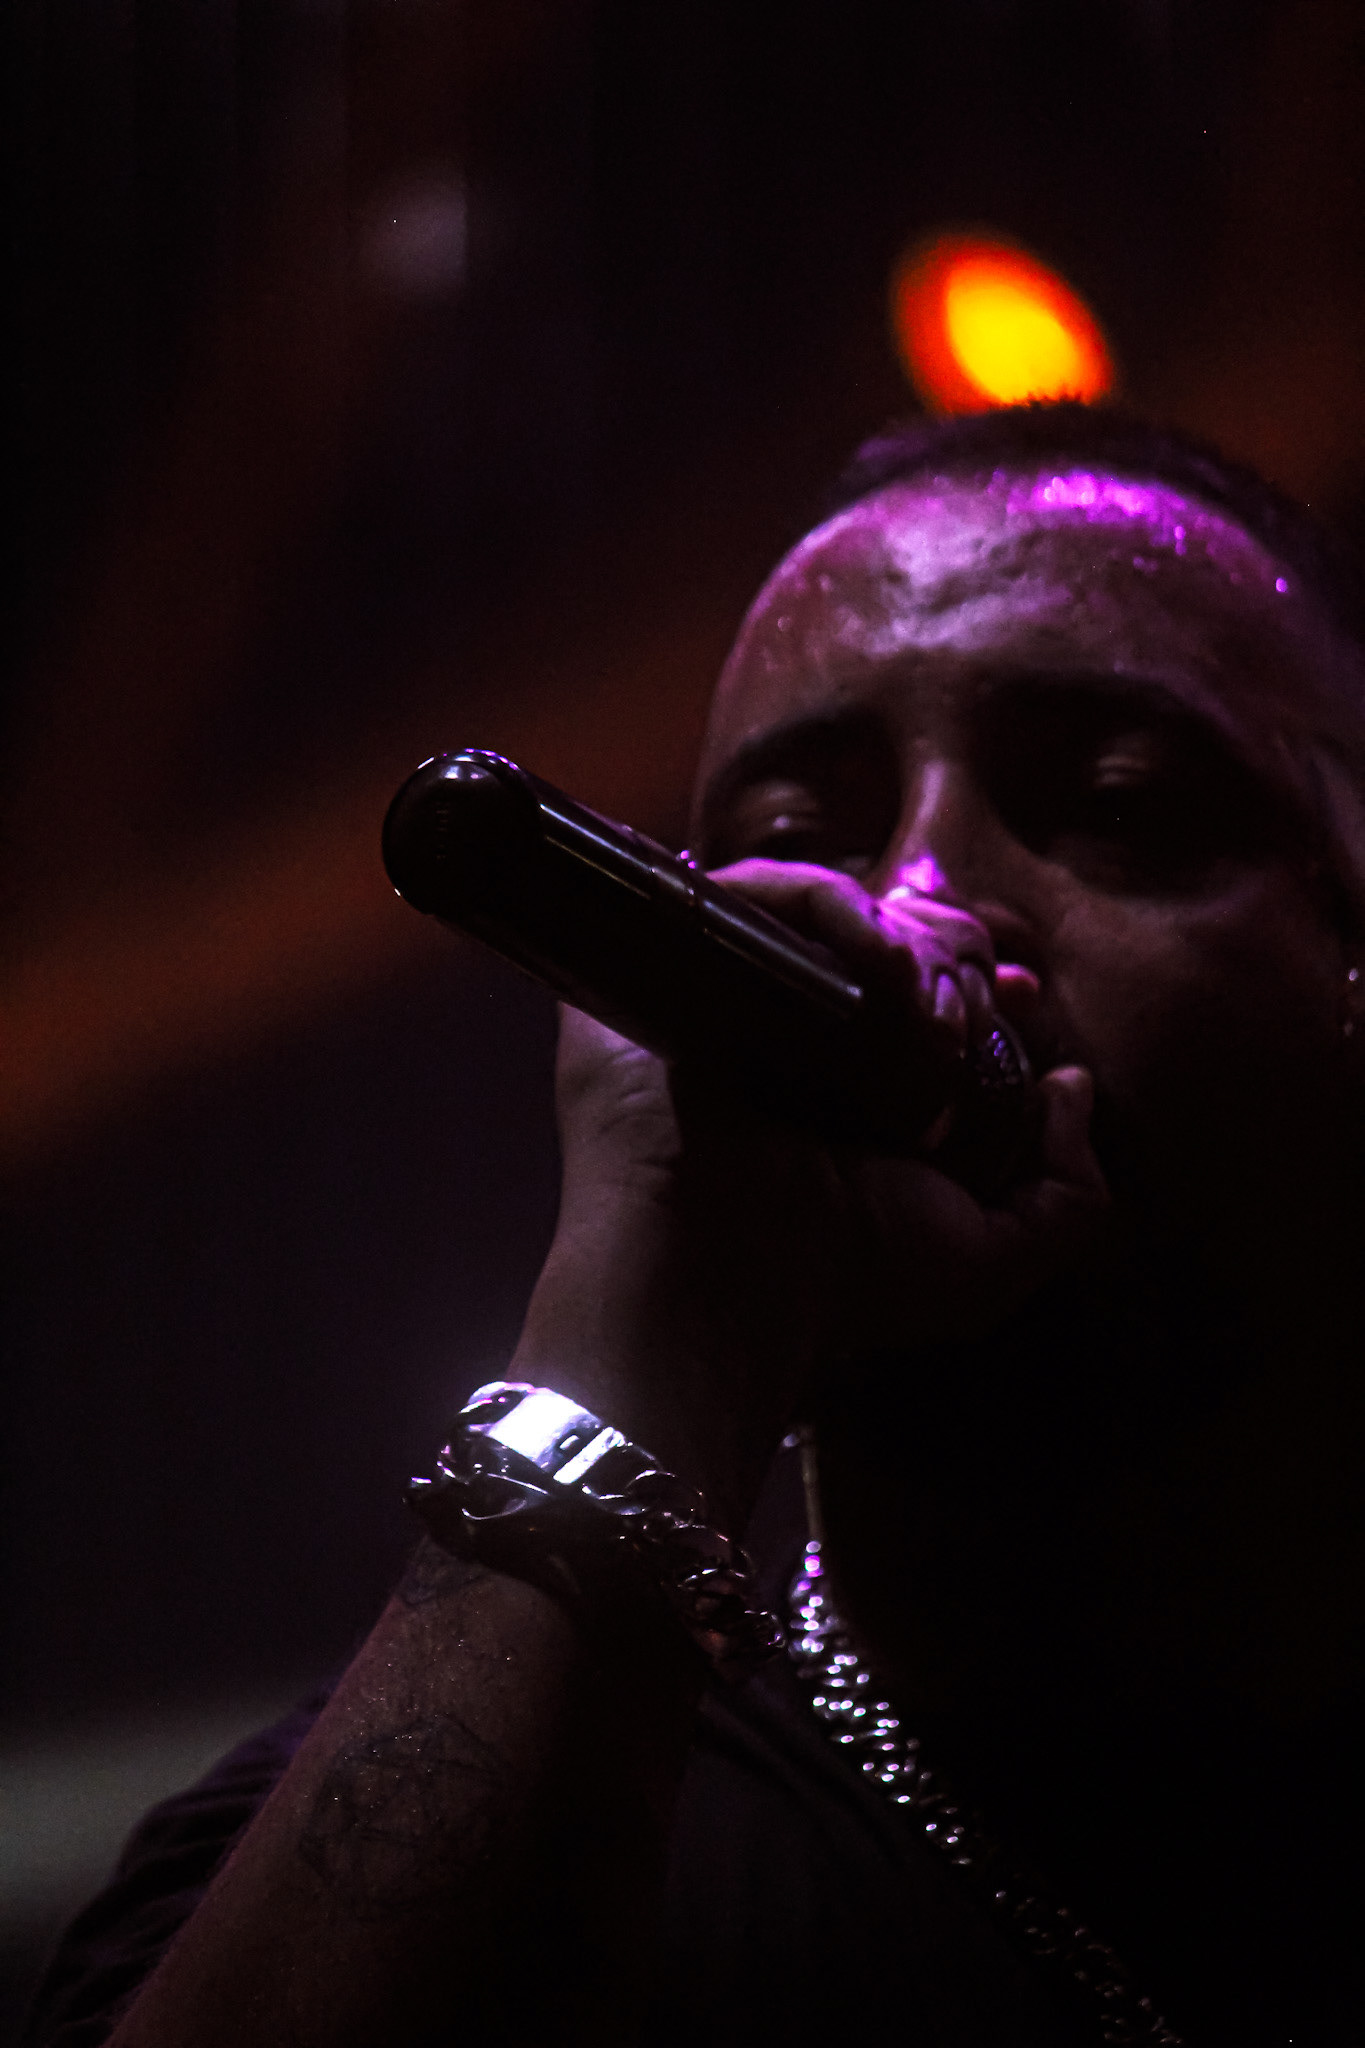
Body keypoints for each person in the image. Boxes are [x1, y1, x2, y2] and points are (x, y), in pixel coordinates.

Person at [23, 403, 1365, 2048]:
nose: (918, 899)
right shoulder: (353, 1855)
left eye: (1114, 800)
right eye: (793, 841)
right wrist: (639, 1351)